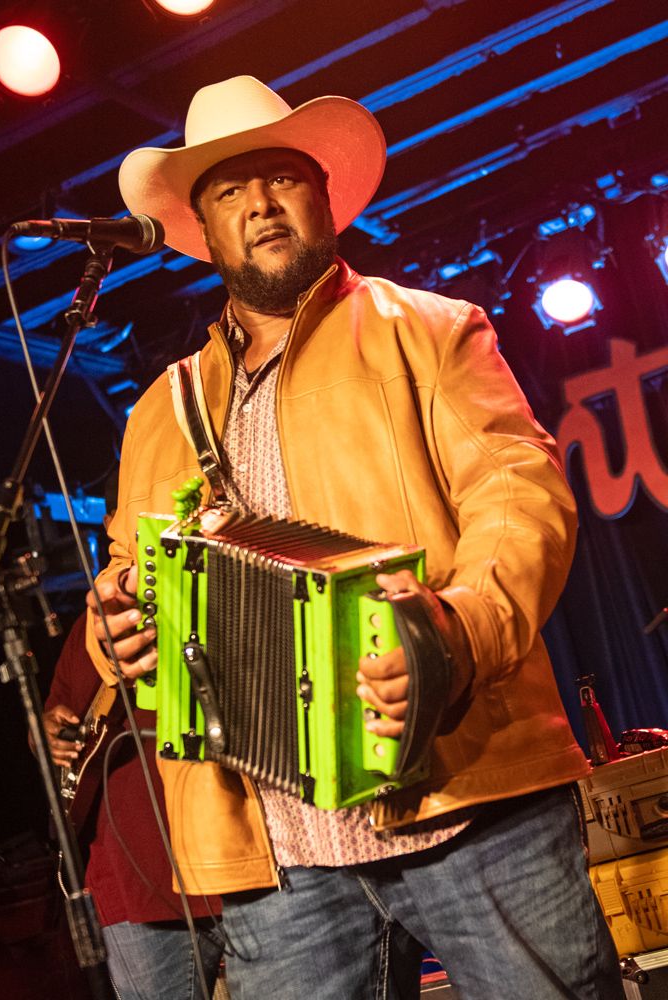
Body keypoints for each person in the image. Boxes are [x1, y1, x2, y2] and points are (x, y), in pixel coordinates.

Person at [83, 76, 624, 999]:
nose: (260, 203)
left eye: (281, 178)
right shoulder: (158, 411)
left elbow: (519, 496)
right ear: (203, 231)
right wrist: (115, 635)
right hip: (277, 852)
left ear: (324, 197)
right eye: (229, 190)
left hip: (467, 802)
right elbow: (135, 576)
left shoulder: (434, 332)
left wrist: (456, 632)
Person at [39, 471, 224, 1000]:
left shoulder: (221, 587)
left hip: (232, 849)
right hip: (137, 871)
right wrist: (47, 735)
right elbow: (56, 717)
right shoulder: (92, 622)